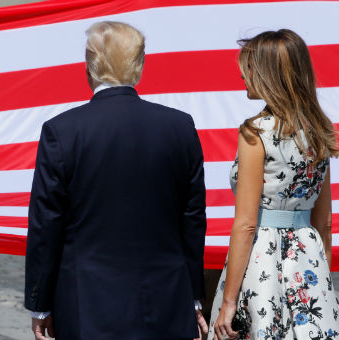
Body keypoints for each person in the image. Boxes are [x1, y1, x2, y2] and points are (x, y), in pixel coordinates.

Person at [24, 21, 209, 340]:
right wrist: (193, 297)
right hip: (167, 300)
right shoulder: (180, 127)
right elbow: (192, 221)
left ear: (89, 65)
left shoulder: (62, 132)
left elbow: (46, 224)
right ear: (140, 65)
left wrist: (39, 304)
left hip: (87, 304)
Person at [207, 29, 339, 340]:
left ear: (268, 75)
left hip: (262, 257)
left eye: (249, 69)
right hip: (308, 255)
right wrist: (321, 276)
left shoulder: (255, 132)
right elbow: (324, 222)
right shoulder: (317, 130)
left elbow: (246, 224)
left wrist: (229, 302)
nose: (243, 76)